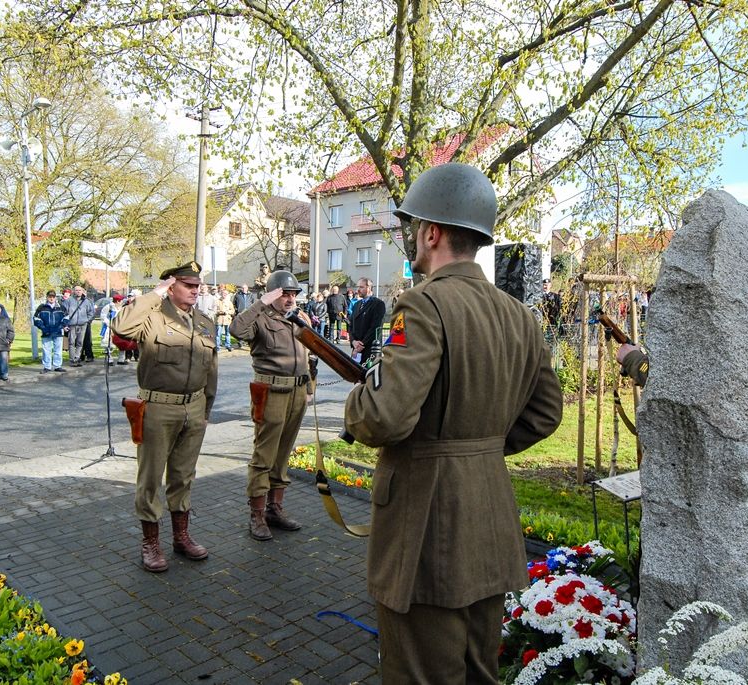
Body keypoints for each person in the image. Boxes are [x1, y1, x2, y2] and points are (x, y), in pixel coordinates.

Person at [343, 163, 563, 683]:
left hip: (426, 525)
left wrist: (357, 401)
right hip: (489, 517)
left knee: (420, 672)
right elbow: (546, 412)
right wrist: (479, 448)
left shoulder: (420, 304)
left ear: (433, 232)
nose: (412, 238)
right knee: (479, 671)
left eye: (414, 227)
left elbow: (384, 415)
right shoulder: (519, 316)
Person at [111, 262, 218, 573]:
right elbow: (121, 326)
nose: (195, 290)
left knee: (183, 476)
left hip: (194, 408)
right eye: (187, 284)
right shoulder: (151, 317)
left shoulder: (205, 323)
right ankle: (150, 543)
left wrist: (206, 410)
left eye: (198, 285)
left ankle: (181, 537)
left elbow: (211, 370)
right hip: (158, 407)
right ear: (171, 286)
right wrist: (154, 294)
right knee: (150, 478)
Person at [229, 270, 312, 541]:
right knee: (264, 456)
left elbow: (309, 355)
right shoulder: (259, 319)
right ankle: (257, 515)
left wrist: (309, 387)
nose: (289, 299)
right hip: (271, 392)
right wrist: (262, 302)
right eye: (284, 294)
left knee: (283, 453)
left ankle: (275, 509)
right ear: (273, 294)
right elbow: (236, 330)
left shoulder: (299, 319)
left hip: (297, 393)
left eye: (292, 294)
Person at [348, 277, 385, 365]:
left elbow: (375, 327)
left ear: (368, 288)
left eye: (361, 287)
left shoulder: (378, 304)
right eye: (358, 287)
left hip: (370, 349)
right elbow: (351, 325)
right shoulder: (357, 304)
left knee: (367, 376)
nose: (358, 290)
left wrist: (362, 344)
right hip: (356, 347)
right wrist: (353, 341)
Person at [33, 290, 67, 373]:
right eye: (50, 297)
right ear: (47, 297)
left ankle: (57, 366)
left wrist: (61, 326)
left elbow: (66, 318)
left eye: (53, 297)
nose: (51, 298)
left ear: (55, 298)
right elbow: (36, 319)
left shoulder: (61, 307)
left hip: (58, 332)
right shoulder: (41, 307)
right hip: (46, 332)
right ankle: (47, 367)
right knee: (46, 350)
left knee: (58, 350)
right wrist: (43, 328)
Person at [62, 285, 95, 367]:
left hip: (82, 324)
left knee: (80, 342)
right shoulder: (69, 301)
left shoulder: (87, 301)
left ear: (82, 291)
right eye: (76, 290)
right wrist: (66, 323)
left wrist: (87, 320)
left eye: (80, 290)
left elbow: (91, 312)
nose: (78, 292)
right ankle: (72, 359)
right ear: (73, 291)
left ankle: (77, 358)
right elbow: (63, 312)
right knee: (71, 342)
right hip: (72, 324)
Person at [100, 294, 127, 364]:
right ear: (118, 301)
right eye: (121, 301)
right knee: (109, 344)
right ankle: (109, 359)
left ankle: (121, 359)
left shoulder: (122, 308)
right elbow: (103, 316)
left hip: (120, 328)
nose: (122, 302)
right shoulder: (108, 307)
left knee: (122, 344)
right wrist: (109, 323)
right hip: (110, 328)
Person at [232, 284, 255, 349]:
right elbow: (234, 303)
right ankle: (240, 342)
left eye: (245, 288)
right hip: (240, 314)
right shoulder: (237, 295)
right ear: (241, 289)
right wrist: (237, 311)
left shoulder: (251, 295)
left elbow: (253, 303)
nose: (244, 289)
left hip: (248, 314)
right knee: (240, 328)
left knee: (249, 328)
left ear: (247, 288)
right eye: (243, 288)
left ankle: (249, 342)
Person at [214, 286, 235, 351]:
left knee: (227, 333)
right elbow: (214, 310)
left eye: (226, 294)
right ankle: (218, 346)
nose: (224, 295)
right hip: (219, 319)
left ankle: (228, 345)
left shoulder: (229, 302)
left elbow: (233, 311)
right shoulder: (217, 301)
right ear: (221, 294)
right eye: (223, 294)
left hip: (227, 320)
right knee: (218, 334)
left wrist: (227, 312)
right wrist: (220, 312)